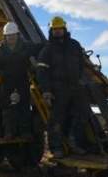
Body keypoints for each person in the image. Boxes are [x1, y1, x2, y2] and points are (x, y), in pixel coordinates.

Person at [37, 16, 88, 158]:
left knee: (80, 115)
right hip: (58, 89)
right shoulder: (47, 50)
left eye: (59, 29)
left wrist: (81, 79)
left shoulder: (74, 45)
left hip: (75, 87)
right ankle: (56, 147)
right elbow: (41, 71)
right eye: (55, 29)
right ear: (51, 31)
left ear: (64, 29)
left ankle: (74, 142)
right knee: (57, 119)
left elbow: (82, 65)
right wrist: (46, 90)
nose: (57, 31)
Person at [0, 22, 42, 139]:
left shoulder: (26, 46)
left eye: (13, 35)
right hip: (7, 82)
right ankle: (9, 131)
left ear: (17, 35)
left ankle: (25, 132)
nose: (11, 37)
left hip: (23, 80)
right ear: (5, 36)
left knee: (24, 106)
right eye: (8, 35)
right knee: (7, 107)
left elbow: (39, 48)